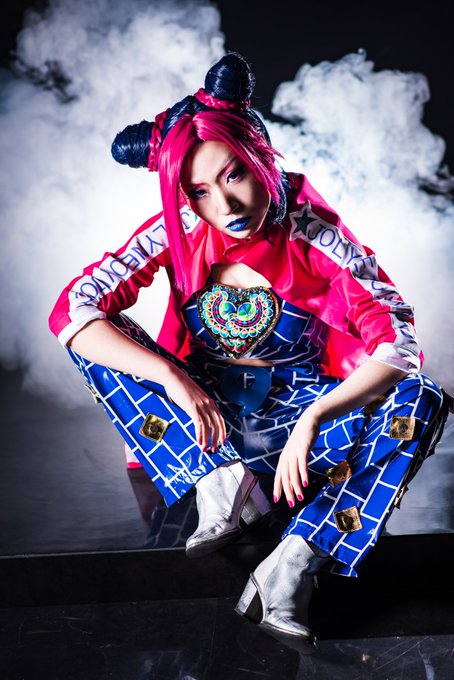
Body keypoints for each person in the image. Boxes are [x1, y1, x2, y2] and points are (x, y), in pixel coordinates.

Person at [48, 53, 450, 652]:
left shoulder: (316, 235)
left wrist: (315, 417)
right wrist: (174, 379)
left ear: (260, 155)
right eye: (199, 191)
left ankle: (290, 569)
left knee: (422, 399)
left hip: (298, 434)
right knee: (96, 335)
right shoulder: (180, 227)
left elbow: (399, 342)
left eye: (234, 175)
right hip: (202, 426)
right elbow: (73, 308)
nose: (225, 206)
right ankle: (221, 483)